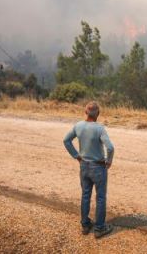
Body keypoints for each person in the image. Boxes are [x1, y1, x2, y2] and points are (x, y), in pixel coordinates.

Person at [63, 101, 115, 238]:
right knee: (101, 197)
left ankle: (85, 224)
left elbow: (66, 141)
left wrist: (76, 156)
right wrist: (108, 161)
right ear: (98, 113)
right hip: (98, 167)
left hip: (84, 165)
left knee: (85, 195)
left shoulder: (78, 126)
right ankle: (99, 228)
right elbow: (110, 148)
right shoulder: (100, 129)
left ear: (85, 112)